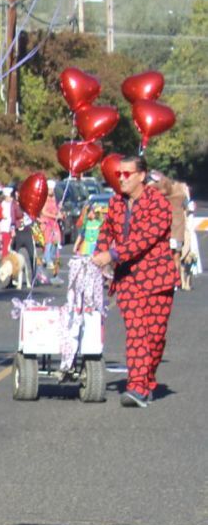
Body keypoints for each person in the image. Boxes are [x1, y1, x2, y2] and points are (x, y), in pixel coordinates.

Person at [92, 157, 176, 407]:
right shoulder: (116, 202)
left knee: (155, 337)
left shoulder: (158, 204)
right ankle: (137, 386)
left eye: (127, 174)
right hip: (128, 279)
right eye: (119, 173)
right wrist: (98, 254)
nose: (121, 178)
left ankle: (147, 379)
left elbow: (144, 239)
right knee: (136, 332)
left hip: (157, 279)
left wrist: (112, 254)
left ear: (141, 175)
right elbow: (106, 230)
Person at [39, 182, 63, 284]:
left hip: (55, 224)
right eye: (49, 189)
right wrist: (55, 216)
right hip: (47, 224)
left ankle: (56, 275)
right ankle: (42, 268)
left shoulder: (55, 198)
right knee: (48, 245)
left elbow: (57, 211)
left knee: (56, 249)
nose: (51, 191)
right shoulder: (44, 199)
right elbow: (43, 212)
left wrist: (60, 212)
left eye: (52, 189)